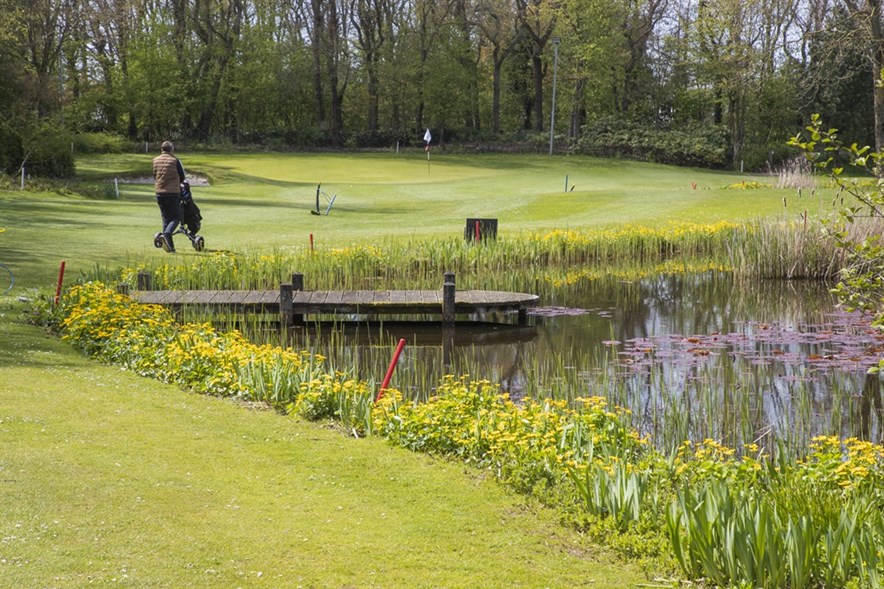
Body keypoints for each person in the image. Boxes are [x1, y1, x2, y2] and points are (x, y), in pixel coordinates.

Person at [152, 141, 186, 253]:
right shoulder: (175, 160)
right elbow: (182, 177)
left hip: (159, 193)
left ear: (162, 149)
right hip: (173, 193)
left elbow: (155, 175)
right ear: (171, 150)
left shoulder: (155, 160)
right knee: (176, 218)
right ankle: (166, 235)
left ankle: (170, 247)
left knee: (166, 218)